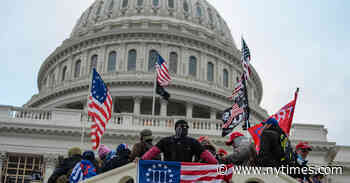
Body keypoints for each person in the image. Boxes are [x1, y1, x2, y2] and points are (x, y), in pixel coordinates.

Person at [141, 120, 218, 163]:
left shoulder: (193, 142)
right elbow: (152, 152)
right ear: (176, 128)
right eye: (182, 127)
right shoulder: (165, 141)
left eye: (186, 127)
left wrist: (215, 162)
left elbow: (205, 154)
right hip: (170, 174)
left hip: (185, 175)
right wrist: (142, 160)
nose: (184, 128)